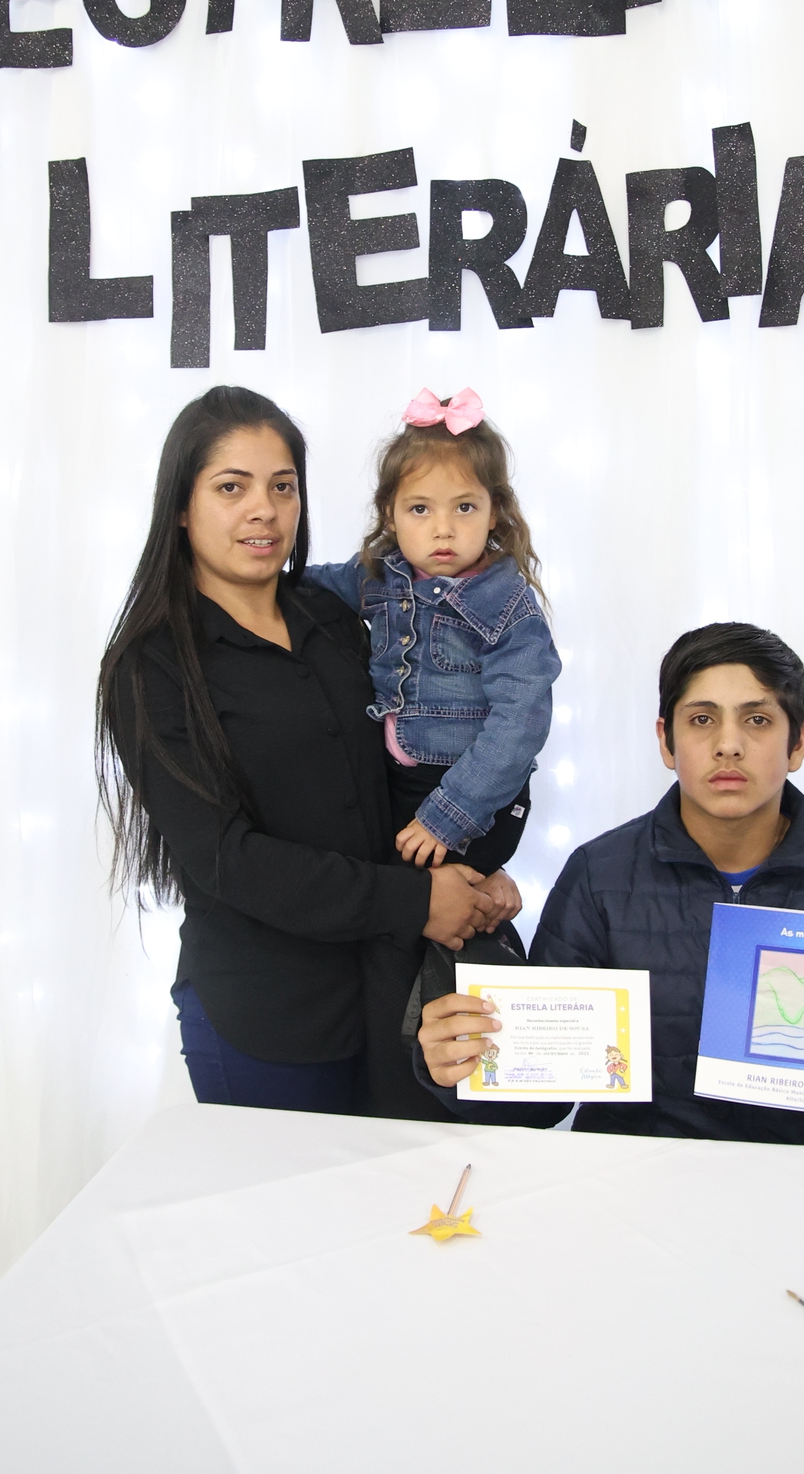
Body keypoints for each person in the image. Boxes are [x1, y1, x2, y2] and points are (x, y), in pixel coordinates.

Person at [97, 384, 505, 1121]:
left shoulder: (336, 614)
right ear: (182, 506)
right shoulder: (151, 664)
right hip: (266, 1018)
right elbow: (226, 859)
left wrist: (471, 862)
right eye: (232, 488)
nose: (265, 510)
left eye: (282, 487)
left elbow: (405, 764)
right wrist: (417, 901)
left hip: (389, 994)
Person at [417, 622, 804, 1148]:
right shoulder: (599, 874)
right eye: (702, 719)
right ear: (667, 741)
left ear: (797, 744)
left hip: (798, 1183)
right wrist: (461, 1067)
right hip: (630, 1179)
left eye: (757, 720)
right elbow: (540, 1102)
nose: (729, 745)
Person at [303, 386, 561, 878]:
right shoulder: (381, 574)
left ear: (494, 510)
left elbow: (521, 722)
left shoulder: (506, 604)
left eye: (464, 507)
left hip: (470, 794)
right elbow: (313, 586)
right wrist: (257, 577)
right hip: (395, 782)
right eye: (420, 509)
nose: (443, 529)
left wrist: (450, 816)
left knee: (434, 900)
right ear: (390, 513)